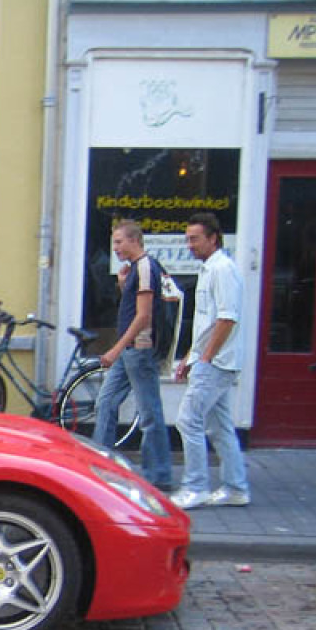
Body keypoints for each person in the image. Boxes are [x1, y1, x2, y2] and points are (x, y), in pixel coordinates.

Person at [169, 212, 250, 509]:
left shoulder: (222, 270)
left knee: (187, 420)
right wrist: (190, 357)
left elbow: (227, 318)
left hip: (217, 362)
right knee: (219, 426)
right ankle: (236, 487)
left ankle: (196, 487)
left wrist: (205, 357)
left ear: (213, 238)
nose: (189, 245)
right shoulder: (210, 269)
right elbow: (207, 321)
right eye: (187, 238)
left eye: (194, 238)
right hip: (212, 359)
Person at [94, 220, 174, 490]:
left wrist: (116, 348)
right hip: (130, 350)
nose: (115, 248)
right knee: (105, 402)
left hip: (139, 350)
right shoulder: (136, 271)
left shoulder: (146, 267)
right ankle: (100, 466)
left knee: (149, 411)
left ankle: (159, 475)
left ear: (133, 240)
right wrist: (122, 285)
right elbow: (134, 309)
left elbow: (143, 315)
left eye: (118, 242)